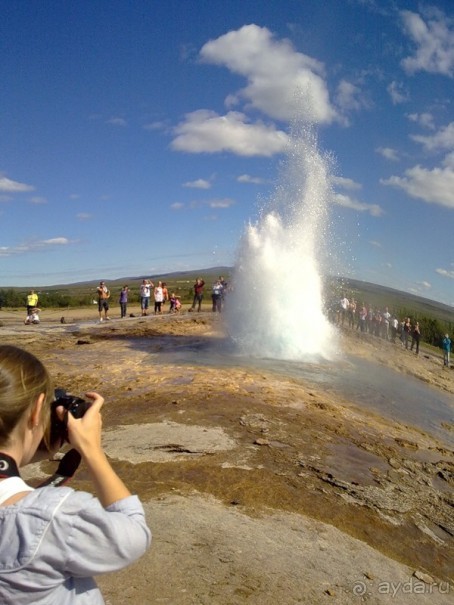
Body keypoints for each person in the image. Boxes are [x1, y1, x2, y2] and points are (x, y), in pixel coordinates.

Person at [0, 345, 151, 604]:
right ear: (37, 410)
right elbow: (134, 534)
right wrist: (91, 450)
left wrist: (43, 443)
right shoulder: (51, 518)